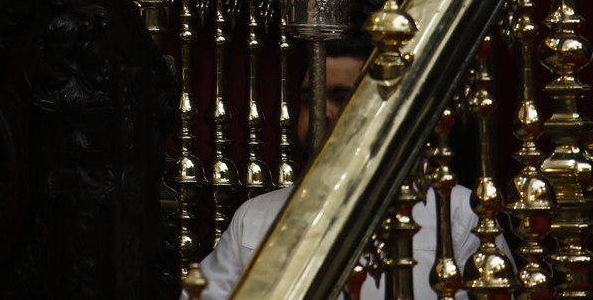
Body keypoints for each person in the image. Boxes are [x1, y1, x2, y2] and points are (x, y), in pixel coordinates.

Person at [197, 28, 500, 300]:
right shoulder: (255, 218)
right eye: (309, 99)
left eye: (341, 97)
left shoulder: (458, 213)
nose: (322, 113)